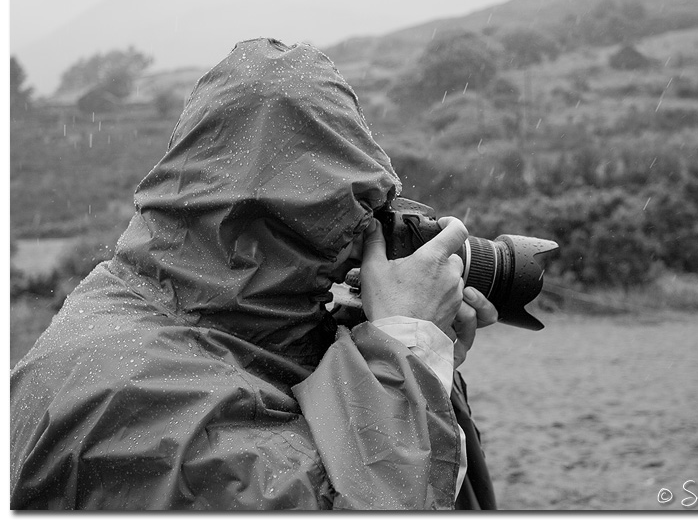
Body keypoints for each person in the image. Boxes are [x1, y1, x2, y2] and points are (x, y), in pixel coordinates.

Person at [10, 38, 498, 510]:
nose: (357, 251)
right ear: (276, 227)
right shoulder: (128, 403)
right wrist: (405, 348)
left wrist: (422, 374)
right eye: (345, 223)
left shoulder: (148, 303)